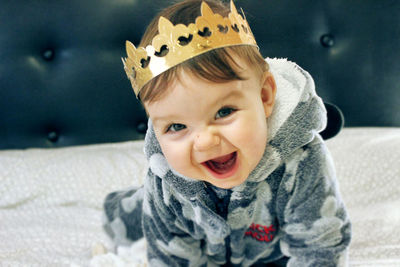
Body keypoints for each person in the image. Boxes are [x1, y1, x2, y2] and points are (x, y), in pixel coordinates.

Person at [103, 0, 351, 266]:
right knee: (134, 213)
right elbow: (170, 258)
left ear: (265, 96)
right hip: (176, 223)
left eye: (224, 112)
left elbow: (320, 248)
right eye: (176, 126)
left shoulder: (301, 161)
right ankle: (119, 206)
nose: (206, 141)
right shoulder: (165, 176)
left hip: (268, 253)